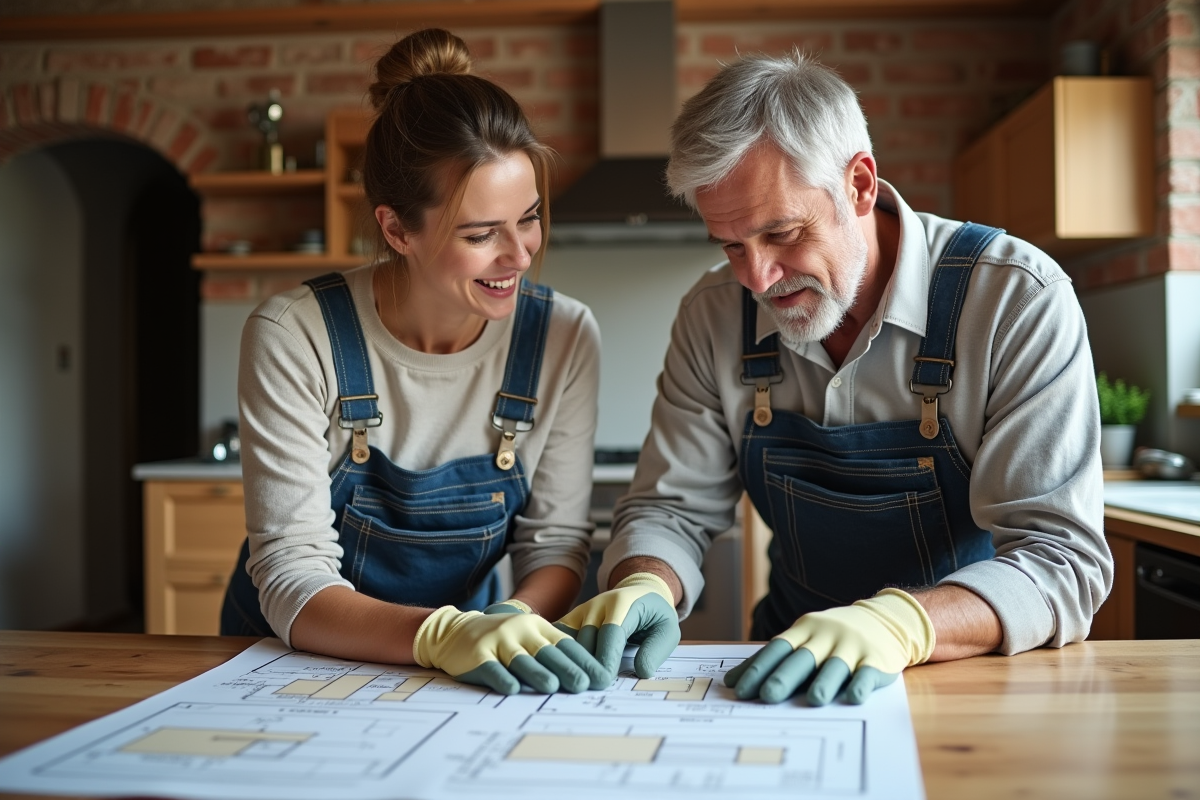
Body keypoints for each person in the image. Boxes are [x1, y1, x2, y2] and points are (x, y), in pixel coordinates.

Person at [562, 50, 1112, 704]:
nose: (758, 278)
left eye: (783, 233)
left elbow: (1061, 562)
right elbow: (668, 510)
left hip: (968, 681)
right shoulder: (713, 316)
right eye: (732, 246)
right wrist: (642, 583)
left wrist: (902, 624)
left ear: (859, 184)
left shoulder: (1015, 300)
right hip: (782, 678)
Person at [220, 28, 607, 696]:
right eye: (481, 234)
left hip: (458, 672)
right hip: (285, 667)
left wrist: (505, 622)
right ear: (398, 229)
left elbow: (556, 543)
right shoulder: (295, 335)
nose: (519, 255)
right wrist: (438, 636)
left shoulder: (563, 335)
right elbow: (291, 573)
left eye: (531, 218)